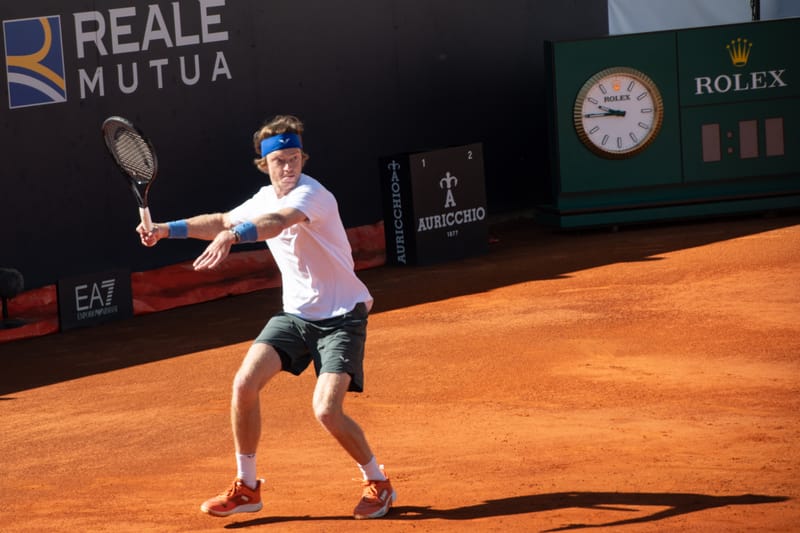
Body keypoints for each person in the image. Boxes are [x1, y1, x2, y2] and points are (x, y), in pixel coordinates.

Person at [137, 115, 395, 520]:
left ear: (303, 159)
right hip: (296, 315)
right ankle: (248, 487)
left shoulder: (313, 195)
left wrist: (236, 236)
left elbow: (276, 223)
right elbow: (222, 220)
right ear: (265, 164)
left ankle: (377, 481)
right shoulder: (261, 197)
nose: (289, 167)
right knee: (244, 383)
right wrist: (167, 230)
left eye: (295, 158)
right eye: (280, 161)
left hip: (342, 316)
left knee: (327, 410)